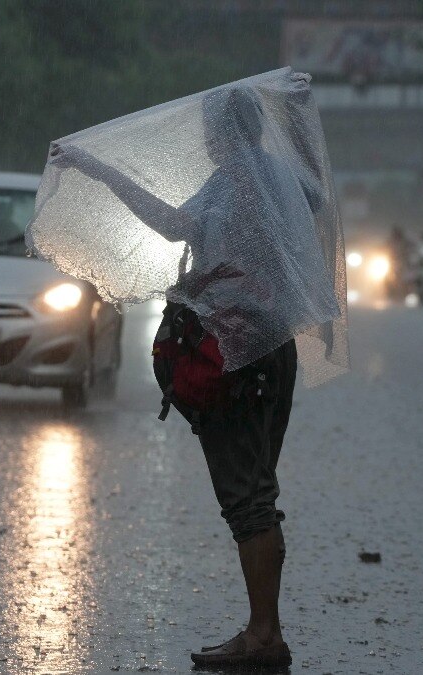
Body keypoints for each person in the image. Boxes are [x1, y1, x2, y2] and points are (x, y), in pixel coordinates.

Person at [49, 84, 337, 669]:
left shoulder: (232, 182)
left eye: (210, 129)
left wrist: (100, 172)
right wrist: (301, 126)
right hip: (275, 349)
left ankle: (263, 635)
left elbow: (172, 224)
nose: (206, 139)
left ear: (220, 134)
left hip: (233, 354)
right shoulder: (280, 178)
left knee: (247, 497)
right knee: (260, 486)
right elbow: (318, 198)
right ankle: (264, 629)